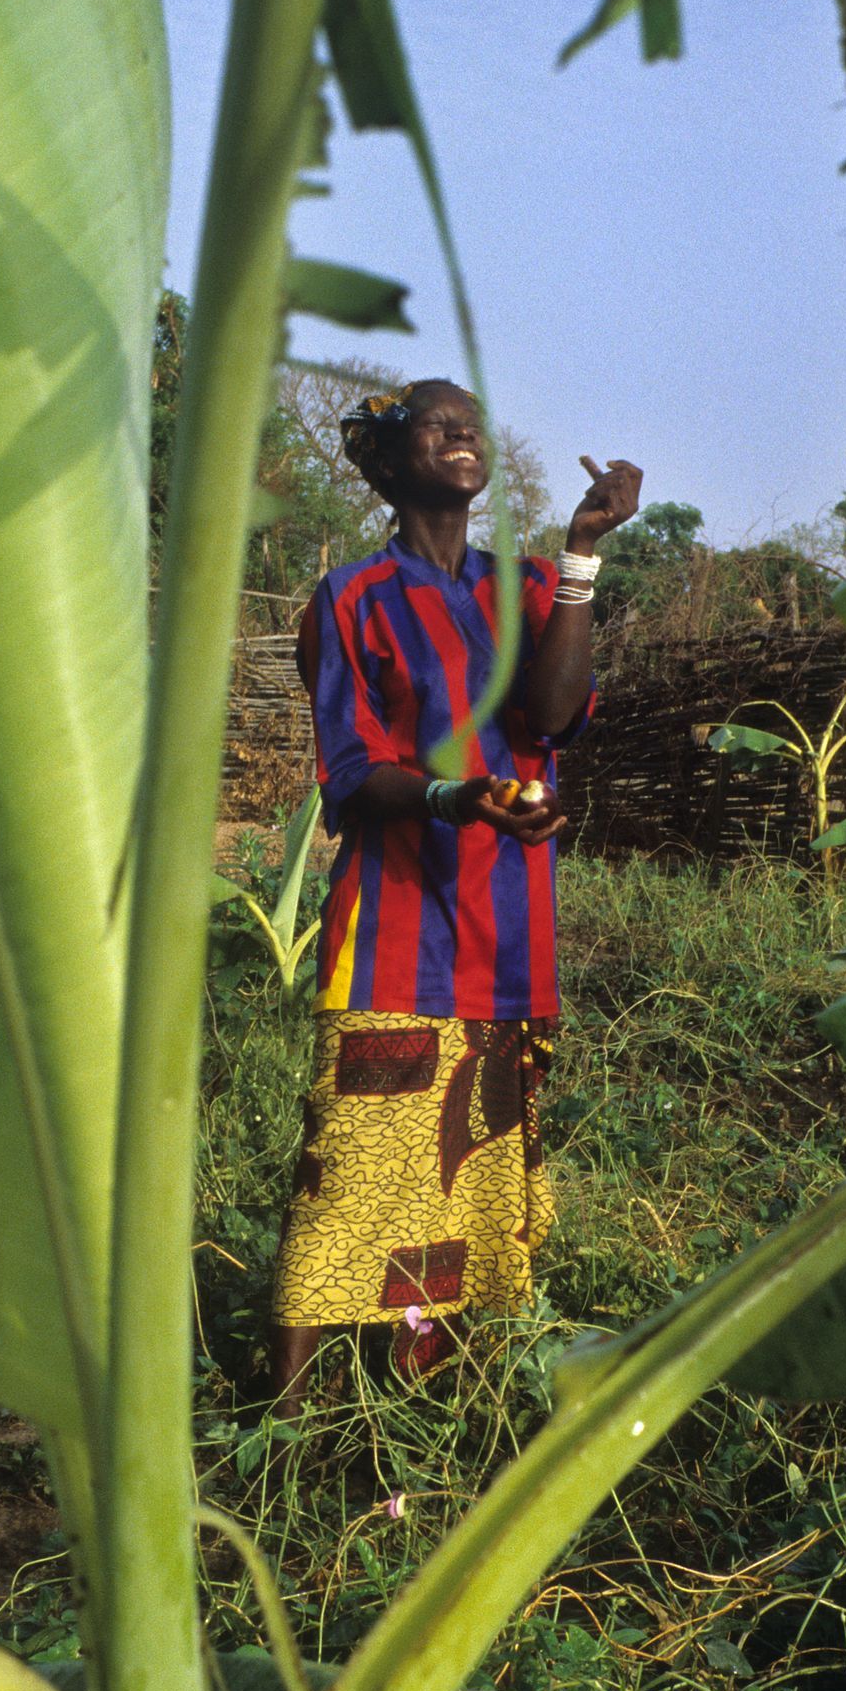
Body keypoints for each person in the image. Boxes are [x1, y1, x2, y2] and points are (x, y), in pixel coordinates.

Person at [268, 378, 640, 1401]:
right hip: (394, 929)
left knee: (468, 1177)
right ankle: (281, 1422)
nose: (463, 431)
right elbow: (351, 771)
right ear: (389, 463)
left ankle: (419, 1401)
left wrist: (583, 555)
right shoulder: (351, 599)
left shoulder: (528, 588)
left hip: (510, 933)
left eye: (470, 420)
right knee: (348, 1174)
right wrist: (454, 796)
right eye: (436, 423)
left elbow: (553, 719)